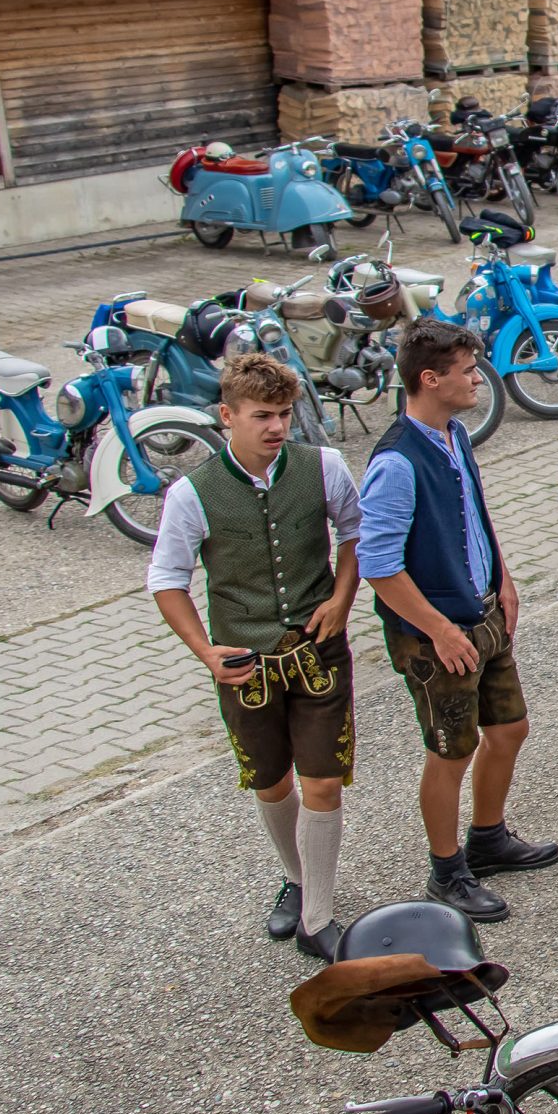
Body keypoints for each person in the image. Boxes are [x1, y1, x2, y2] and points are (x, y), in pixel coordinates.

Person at [147, 352, 361, 961]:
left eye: (284, 413)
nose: (277, 426)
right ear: (227, 416)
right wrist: (205, 652)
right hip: (246, 666)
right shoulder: (192, 493)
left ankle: (318, 918)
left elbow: (354, 532)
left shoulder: (324, 466)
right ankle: (297, 879)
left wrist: (342, 599)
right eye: (262, 415)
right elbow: (166, 578)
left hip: (318, 654)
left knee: (323, 782)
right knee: (269, 783)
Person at [360, 319, 557, 924]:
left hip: (482, 614)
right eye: (468, 371)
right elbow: (378, 566)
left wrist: (504, 577)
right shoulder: (396, 462)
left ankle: (488, 840)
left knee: (511, 728)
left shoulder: (456, 435)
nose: (479, 379)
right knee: (451, 752)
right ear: (430, 379)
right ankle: (446, 872)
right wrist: (440, 630)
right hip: (436, 637)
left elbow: (475, 512)